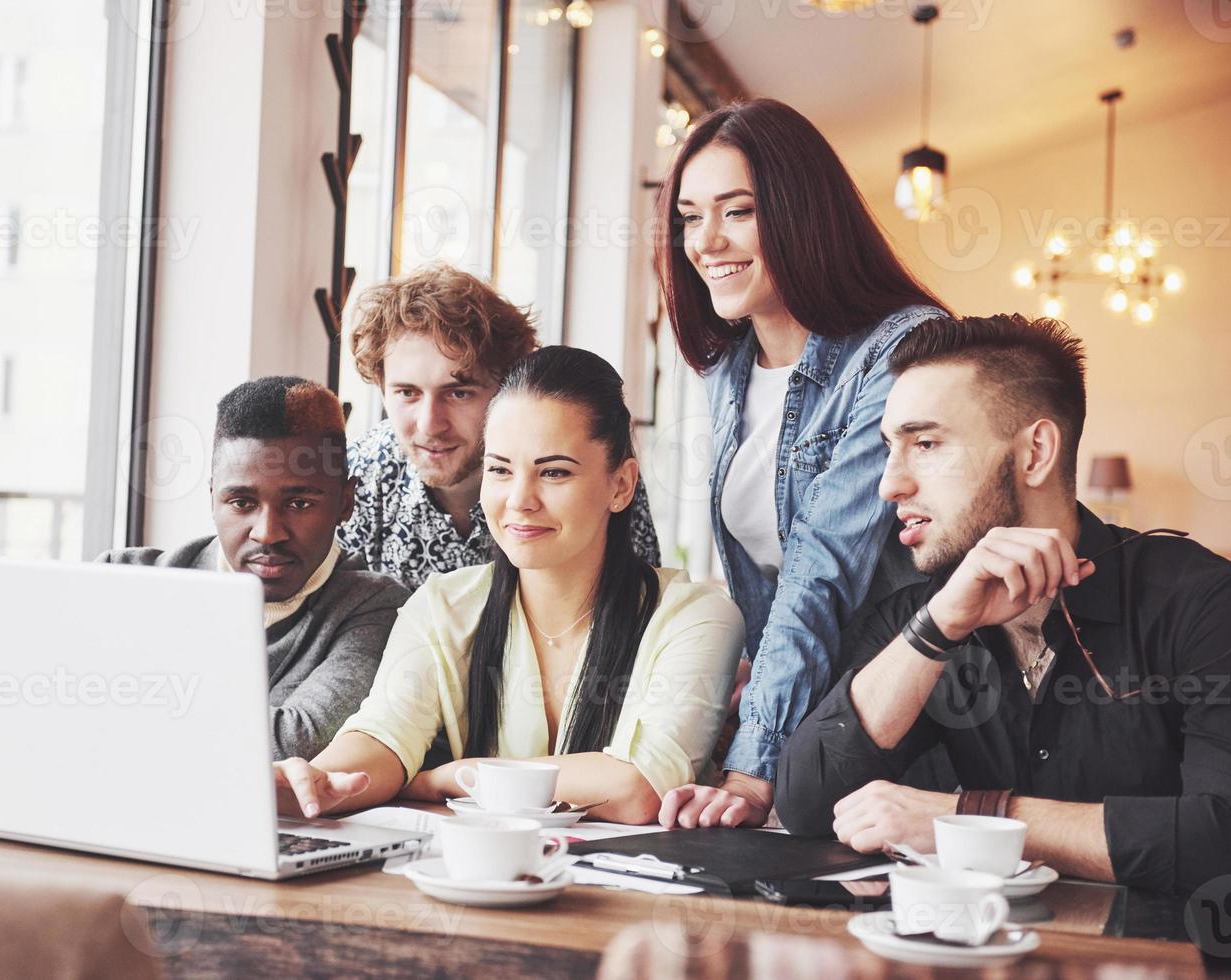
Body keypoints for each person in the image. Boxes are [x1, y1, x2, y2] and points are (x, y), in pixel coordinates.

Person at [774, 314, 1231, 895]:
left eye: (927, 444)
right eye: (891, 448)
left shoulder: (1202, 600)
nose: (890, 484)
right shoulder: (918, 619)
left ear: (1035, 452)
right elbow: (809, 807)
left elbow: (1217, 838)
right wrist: (937, 629)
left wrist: (967, 818)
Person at [273, 347, 744, 825]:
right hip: (482, 883)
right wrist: (316, 781)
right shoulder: (443, 605)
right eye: (499, 469)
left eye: (554, 472)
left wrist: (458, 775)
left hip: (641, 895)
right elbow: (384, 734)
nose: (520, 500)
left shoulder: (696, 616)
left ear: (620, 486)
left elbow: (636, 787)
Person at [0, 377, 409, 770]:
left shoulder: (376, 609)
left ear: (345, 503)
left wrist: (56, 720)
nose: (268, 531)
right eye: (241, 502)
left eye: (301, 503)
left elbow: (297, 742)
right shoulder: (123, 578)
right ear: (212, 499)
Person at [654, 98, 951, 829]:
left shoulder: (900, 349)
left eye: (737, 211)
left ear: (800, 213)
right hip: (808, 714)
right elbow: (762, 575)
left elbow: (820, 566)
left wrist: (751, 768)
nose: (706, 241)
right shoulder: (727, 366)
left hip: (917, 715)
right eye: (690, 217)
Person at [338, 263, 661, 590]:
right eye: (407, 393)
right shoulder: (356, 481)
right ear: (381, 387)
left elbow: (637, 606)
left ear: (507, 387)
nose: (430, 424)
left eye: (459, 393)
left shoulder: (592, 471)